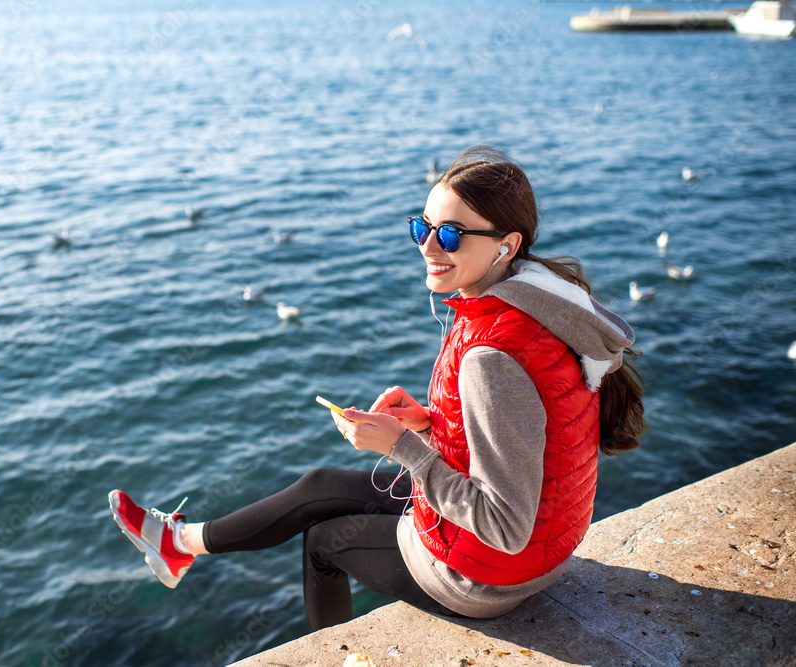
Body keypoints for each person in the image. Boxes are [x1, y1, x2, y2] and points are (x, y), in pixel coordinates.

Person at [107, 146, 646, 631]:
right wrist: (428, 420)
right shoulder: (533, 300)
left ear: (507, 246)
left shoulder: (491, 354)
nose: (430, 247)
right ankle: (179, 544)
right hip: (542, 549)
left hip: (494, 574)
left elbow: (504, 524)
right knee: (320, 484)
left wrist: (401, 448)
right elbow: (524, 433)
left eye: (452, 234)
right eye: (422, 227)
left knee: (323, 541)